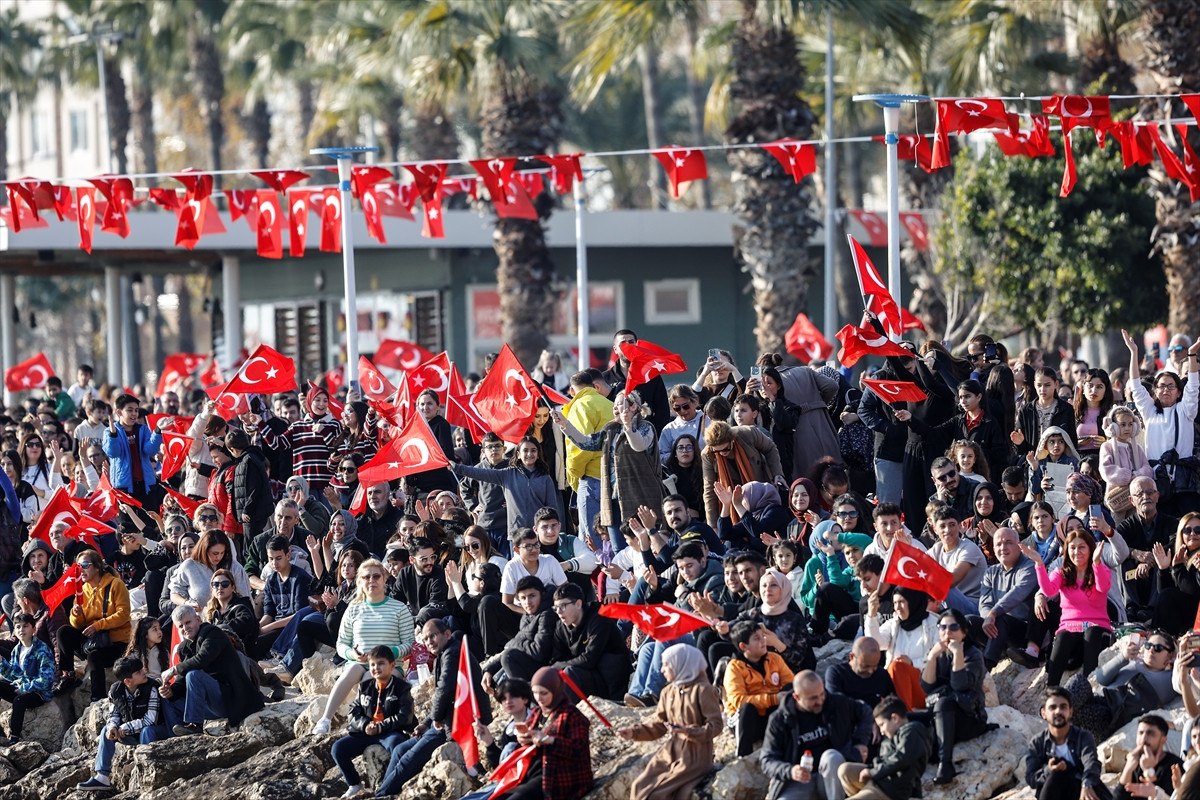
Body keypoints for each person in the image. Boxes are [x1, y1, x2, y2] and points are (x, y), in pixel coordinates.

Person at [375, 619, 490, 797]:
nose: (429, 642)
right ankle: (384, 791)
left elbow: (445, 689)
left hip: (457, 723)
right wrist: (427, 722)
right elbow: (441, 695)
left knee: (407, 760)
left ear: (447, 634)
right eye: (426, 639)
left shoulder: (453, 653)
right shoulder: (444, 654)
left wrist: (435, 718)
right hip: (444, 719)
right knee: (399, 750)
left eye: (433, 636)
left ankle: (380, 796)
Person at [311, 559, 415, 736]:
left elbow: (409, 643)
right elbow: (341, 643)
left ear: (384, 579)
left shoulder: (399, 608)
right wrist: (353, 653)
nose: (371, 581)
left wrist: (390, 654)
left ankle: (370, 724)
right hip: (359, 662)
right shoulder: (353, 608)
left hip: (390, 665)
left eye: (376, 576)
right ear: (360, 581)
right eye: (366, 577)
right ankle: (325, 720)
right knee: (351, 672)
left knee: (370, 677)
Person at [553, 389, 663, 552]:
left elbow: (638, 445)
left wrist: (628, 427)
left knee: (644, 547)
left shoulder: (646, 427)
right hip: (612, 499)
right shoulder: (610, 429)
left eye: (619, 403)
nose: (615, 408)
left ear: (633, 407)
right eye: (615, 405)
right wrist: (565, 424)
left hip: (639, 499)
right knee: (619, 549)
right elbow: (587, 443)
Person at [617, 642, 723, 800]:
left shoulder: (703, 690)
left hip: (695, 756)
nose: (662, 670)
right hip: (670, 752)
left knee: (656, 794)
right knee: (639, 786)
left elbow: (716, 726)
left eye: (666, 664)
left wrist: (689, 731)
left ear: (681, 664)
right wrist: (634, 732)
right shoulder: (667, 692)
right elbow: (659, 725)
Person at [760, 670, 873, 800]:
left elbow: (865, 711)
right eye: (813, 698)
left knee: (831, 756)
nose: (820, 701)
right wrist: (790, 771)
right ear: (797, 697)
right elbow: (767, 760)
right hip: (798, 781)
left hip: (831, 778)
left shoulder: (836, 703)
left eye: (822, 694)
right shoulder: (780, 720)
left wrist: (860, 742)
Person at [1021, 528, 1112, 687]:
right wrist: (1039, 564)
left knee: (1091, 633)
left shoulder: (1100, 569)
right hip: (1071, 629)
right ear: (1067, 550)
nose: (1077, 552)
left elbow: (1103, 587)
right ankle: (1052, 691)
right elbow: (1049, 591)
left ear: (1090, 548)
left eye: (1082, 547)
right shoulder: (1062, 573)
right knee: (1063, 636)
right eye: (1072, 547)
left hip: (1097, 629)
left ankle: (1087, 689)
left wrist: (1096, 562)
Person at [1124, 328, 1200, 516]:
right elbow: (1135, 384)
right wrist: (1134, 353)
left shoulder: (1186, 410)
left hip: (1184, 481)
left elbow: (1193, 385)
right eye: (1161, 386)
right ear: (1155, 391)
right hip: (1157, 481)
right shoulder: (1149, 411)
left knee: (1190, 524)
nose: (1166, 390)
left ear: (1178, 391)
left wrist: (1191, 355)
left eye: (1170, 386)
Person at [74, 655, 173, 792]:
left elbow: (151, 720)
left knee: (147, 730)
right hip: (132, 734)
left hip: (156, 733)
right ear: (128, 681)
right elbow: (114, 714)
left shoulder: (152, 687)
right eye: (138, 672)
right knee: (106, 731)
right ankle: (102, 777)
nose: (144, 672)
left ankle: (148, 771)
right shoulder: (116, 691)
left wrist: (124, 728)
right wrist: (113, 727)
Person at [161, 604, 264, 735]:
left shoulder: (212, 633)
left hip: (231, 699)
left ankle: (195, 725)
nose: (185, 628)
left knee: (193, 675)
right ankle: (177, 737)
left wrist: (174, 669)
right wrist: (170, 691)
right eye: (181, 626)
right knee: (167, 699)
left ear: (198, 620)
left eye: (188, 622)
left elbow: (202, 659)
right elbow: (181, 681)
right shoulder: (183, 648)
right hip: (209, 704)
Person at [330, 645, 415, 800]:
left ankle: (389, 785)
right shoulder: (365, 686)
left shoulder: (402, 687)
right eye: (373, 665)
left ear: (392, 665)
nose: (376, 668)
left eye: (381, 663)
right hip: (367, 732)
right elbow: (353, 712)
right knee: (338, 748)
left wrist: (381, 726)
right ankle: (355, 784)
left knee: (398, 746)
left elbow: (405, 716)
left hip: (391, 732)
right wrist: (365, 725)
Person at [499, 665, 593, 800]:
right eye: (535, 693)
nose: (539, 698)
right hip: (535, 772)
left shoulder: (572, 715)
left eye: (544, 693)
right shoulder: (537, 712)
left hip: (560, 778)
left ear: (555, 691)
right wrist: (524, 739)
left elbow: (579, 750)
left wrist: (550, 740)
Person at [921, 608, 991, 785]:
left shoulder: (974, 655)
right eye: (942, 627)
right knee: (908, 718)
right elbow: (927, 688)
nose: (947, 632)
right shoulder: (938, 652)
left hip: (969, 717)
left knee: (944, 704)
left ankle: (946, 764)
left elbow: (960, 686)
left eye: (953, 627)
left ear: (964, 631)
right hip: (941, 716)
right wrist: (931, 657)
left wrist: (958, 653)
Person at [55, 549, 131, 702]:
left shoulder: (115, 584)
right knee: (64, 631)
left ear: (97, 567)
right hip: (93, 640)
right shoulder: (82, 590)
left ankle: (98, 697)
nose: (80, 569)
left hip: (114, 642)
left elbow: (123, 614)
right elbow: (77, 624)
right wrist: (76, 614)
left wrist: (98, 625)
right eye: (78, 566)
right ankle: (68, 674)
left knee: (94, 656)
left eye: (85, 565)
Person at [836, 695, 932, 800]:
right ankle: (864, 795)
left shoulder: (912, 730)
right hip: (877, 781)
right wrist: (872, 769)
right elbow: (883, 761)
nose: (881, 731)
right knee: (844, 770)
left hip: (889, 790)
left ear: (894, 718)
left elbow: (901, 759)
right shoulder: (889, 738)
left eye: (882, 725)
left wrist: (872, 772)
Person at [549, 582, 632, 702]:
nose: (559, 612)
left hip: (611, 679)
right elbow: (557, 658)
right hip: (588, 675)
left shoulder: (599, 618)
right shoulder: (560, 627)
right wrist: (555, 668)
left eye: (563, 606)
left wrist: (558, 666)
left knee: (570, 672)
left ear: (578, 604)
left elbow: (590, 658)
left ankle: (567, 715)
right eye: (555, 608)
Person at [722, 619, 795, 756]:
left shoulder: (774, 658)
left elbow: (790, 681)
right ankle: (743, 755)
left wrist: (780, 697)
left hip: (770, 716)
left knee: (791, 688)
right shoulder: (734, 668)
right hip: (748, 721)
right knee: (747, 708)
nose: (763, 641)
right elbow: (739, 700)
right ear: (743, 646)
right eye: (757, 639)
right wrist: (773, 699)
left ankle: (793, 740)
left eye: (763, 636)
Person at [1023, 687, 1110, 800]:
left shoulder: (1083, 736)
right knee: (1055, 775)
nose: (1058, 711)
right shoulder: (1038, 743)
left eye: (1063, 707)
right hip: (1053, 791)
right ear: (1043, 713)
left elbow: (1091, 763)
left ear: (1070, 711)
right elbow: (1030, 777)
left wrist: (1087, 783)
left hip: (1080, 788)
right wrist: (1049, 770)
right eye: (1053, 707)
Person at [562, 369, 615, 554]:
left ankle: (597, 582)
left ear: (571, 390)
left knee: (590, 545)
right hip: (612, 480)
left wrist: (574, 479)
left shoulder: (580, 406)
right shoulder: (609, 404)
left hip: (591, 480)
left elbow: (580, 447)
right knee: (611, 539)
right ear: (594, 386)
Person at [699, 420, 784, 529]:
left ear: (732, 440)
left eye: (726, 449)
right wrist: (713, 525)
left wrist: (777, 474)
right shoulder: (707, 454)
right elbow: (709, 490)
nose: (722, 453)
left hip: (760, 493)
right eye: (717, 451)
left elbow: (770, 448)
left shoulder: (748, 433)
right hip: (735, 500)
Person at [974, 526, 1039, 668]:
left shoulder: (1030, 567)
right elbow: (984, 604)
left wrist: (993, 614)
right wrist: (988, 618)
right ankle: (962, 666)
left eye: (1008, 542)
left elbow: (1017, 593)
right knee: (967, 622)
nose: (1003, 547)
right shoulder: (991, 572)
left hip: (1023, 631)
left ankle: (986, 668)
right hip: (997, 629)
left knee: (1001, 618)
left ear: (1019, 545)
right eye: (998, 544)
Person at [864, 587, 936, 711]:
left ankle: (903, 715)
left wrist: (913, 663)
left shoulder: (935, 624)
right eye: (895, 603)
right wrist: (872, 615)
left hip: (925, 687)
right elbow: (874, 643)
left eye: (902, 602)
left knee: (897, 667)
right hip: (894, 685)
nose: (897, 607)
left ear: (913, 601)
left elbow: (940, 658)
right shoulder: (894, 624)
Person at [483, 576, 557, 686]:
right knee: (493, 680)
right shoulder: (527, 616)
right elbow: (520, 644)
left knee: (509, 657)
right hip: (532, 663)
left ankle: (525, 697)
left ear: (542, 594)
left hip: (549, 667)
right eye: (523, 598)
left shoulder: (547, 614)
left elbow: (540, 651)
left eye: (532, 596)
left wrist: (513, 643)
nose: (528, 602)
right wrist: (489, 669)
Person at [103, 392, 169, 506]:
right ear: (119, 412)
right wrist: (113, 435)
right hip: (123, 487)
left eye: (136, 410)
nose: (134, 413)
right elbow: (113, 453)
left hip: (146, 484)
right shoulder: (109, 431)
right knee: (128, 523)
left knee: (150, 520)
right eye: (130, 410)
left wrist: (158, 431)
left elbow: (150, 450)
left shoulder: (142, 429)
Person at [0, 612, 55, 745]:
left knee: (19, 700)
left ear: (34, 629)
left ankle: (14, 738)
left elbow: (46, 680)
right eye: (18, 627)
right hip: (21, 687)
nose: (21, 630)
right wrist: (2, 663)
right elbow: (14, 674)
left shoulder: (42, 650)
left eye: (25, 626)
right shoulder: (17, 650)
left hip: (39, 693)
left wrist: (25, 688)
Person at [928, 505, 987, 615]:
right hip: (945, 605)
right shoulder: (936, 549)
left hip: (973, 607)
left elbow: (952, 581)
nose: (947, 530)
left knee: (944, 584)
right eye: (942, 526)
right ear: (935, 529)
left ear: (959, 526)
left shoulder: (969, 548)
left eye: (952, 525)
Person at [1114, 715, 1185, 800]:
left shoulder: (1174, 766)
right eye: (1141, 733)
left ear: (1163, 740)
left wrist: (1149, 770)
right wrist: (1128, 768)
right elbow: (1118, 798)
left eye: (1151, 733)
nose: (1144, 738)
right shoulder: (1135, 760)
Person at [824, 637, 895, 710]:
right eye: (865, 666)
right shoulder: (837, 673)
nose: (870, 671)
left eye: (875, 666)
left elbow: (894, 704)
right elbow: (836, 706)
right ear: (852, 657)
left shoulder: (882, 675)